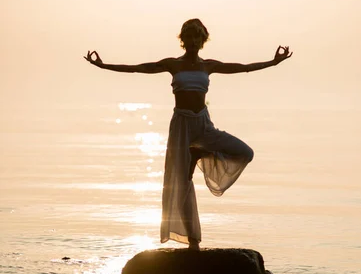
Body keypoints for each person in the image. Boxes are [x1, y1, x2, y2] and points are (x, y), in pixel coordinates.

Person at [84, 19, 292, 250]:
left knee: (246, 152)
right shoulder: (173, 64)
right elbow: (138, 68)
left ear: (202, 41)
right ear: (182, 40)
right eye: (189, 37)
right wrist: (103, 66)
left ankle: (200, 152)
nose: (193, 42)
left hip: (204, 125)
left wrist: (274, 62)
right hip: (181, 126)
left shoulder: (208, 66)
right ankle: (193, 242)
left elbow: (242, 67)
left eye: (197, 38)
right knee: (181, 184)